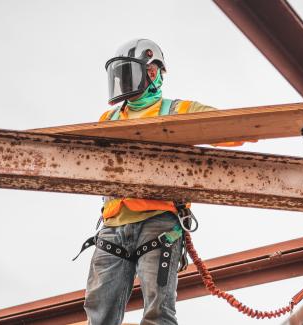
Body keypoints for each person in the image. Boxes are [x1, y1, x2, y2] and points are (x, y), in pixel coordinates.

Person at [83, 39, 231, 325]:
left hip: (158, 225)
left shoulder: (178, 111)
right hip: (113, 228)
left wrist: (292, 123)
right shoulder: (109, 118)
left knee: (158, 315)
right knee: (99, 315)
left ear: (152, 73)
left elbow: (231, 126)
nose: (124, 81)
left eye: (130, 72)